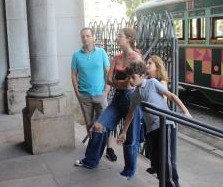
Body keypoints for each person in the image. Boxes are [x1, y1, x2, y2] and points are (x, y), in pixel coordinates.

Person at [75, 28, 143, 180]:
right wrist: (121, 83)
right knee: (99, 126)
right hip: (118, 99)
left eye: (119, 36)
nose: (116, 38)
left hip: (132, 99)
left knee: (130, 138)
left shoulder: (136, 58)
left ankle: (129, 171)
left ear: (129, 39)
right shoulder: (117, 58)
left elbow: (132, 83)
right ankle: (90, 161)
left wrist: (118, 83)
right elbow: (108, 80)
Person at [118, 61, 191, 187]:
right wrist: (123, 132)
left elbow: (171, 95)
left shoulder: (152, 83)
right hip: (151, 130)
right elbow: (130, 114)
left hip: (165, 125)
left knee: (167, 162)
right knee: (157, 163)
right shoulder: (135, 94)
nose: (130, 80)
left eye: (133, 77)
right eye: (128, 77)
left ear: (142, 75)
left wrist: (185, 112)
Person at [71, 28, 117, 161]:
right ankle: (94, 148)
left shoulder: (101, 52)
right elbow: (73, 75)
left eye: (88, 36)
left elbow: (108, 73)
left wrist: (106, 90)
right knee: (89, 123)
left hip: (100, 94)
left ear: (93, 38)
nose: (85, 38)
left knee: (105, 122)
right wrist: (77, 93)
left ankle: (109, 149)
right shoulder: (76, 55)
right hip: (84, 95)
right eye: (83, 36)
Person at [145, 54, 169, 174]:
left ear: (157, 67)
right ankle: (154, 165)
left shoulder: (161, 82)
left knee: (160, 148)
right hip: (149, 119)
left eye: (150, 63)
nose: (147, 65)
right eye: (147, 63)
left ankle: (160, 172)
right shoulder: (147, 80)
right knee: (151, 145)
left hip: (159, 120)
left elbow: (164, 101)